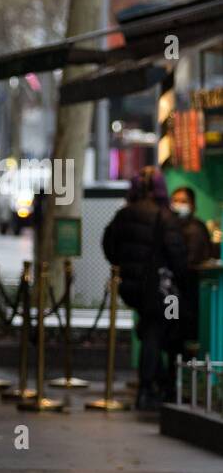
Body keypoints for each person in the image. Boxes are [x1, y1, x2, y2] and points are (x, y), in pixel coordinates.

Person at [101, 167, 188, 409]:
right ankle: (148, 388)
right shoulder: (164, 216)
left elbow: (108, 244)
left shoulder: (124, 214)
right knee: (155, 333)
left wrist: (125, 266)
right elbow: (177, 255)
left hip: (131, 287)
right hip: (158, 289)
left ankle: (154, 383)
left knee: (148, 330)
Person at [168, 185, 213, 363]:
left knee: (179, 336)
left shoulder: (195, 229)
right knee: (173, 335)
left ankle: (177, 381)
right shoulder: (172, 226)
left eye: (184, 201)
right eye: (176, 200)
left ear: (193, 205)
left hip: (186, 292)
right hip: (175, 294)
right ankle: (173, 381)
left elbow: (190, 261)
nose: (179, 204)